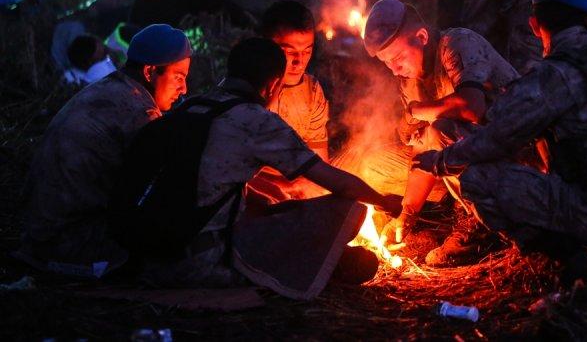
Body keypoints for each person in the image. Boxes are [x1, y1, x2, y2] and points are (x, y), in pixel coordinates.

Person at [412, 0, 587, 276]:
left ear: (535, 26)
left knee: (476, 178)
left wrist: (439, 162)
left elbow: (495, 138)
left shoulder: (555, 76)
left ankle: (566, 257)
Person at [141, 38, 400, 300]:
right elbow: (339, 184)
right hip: (202, 264)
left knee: (273, 210)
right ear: (275, 83)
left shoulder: (191, 106)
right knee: (345, 209)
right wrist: (382, 201)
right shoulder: (257, 121)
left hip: (150, 258)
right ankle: (331, 267)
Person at [17, 25, 192, 277]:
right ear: (150, 71)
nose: (184, 88)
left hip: (37, 232)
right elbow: (161, 186)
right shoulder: (137, 113)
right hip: (71, 242)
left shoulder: (108, 90)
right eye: (178, 77)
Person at [359, 0, 519, 266]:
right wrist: (407, 215)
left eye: (398, 57)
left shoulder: (457, 43)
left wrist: (415, 111)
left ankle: (477, 223)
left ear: (421, 37)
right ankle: (455, 203)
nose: (395, 69)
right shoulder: (408, 82)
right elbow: (423, 148)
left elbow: (472, 107)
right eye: (387, 63)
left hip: (516, 150)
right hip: (467, 153)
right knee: (374, 164)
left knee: (441, 129)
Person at [245, 1, 330, 203]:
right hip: (253, 187)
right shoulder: (247, 91)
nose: (299, 62)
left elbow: (319, 160)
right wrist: (284, 186)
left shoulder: (312, 90)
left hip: (299, 180)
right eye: (289, 52)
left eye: (307, 51)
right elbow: (230, 164)